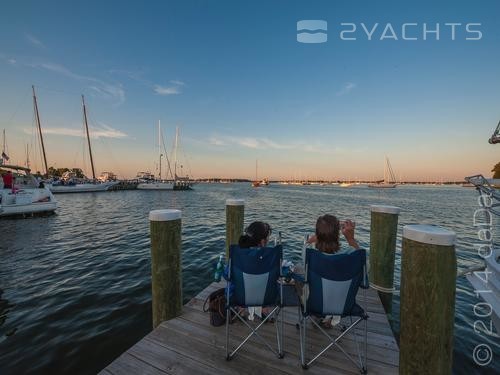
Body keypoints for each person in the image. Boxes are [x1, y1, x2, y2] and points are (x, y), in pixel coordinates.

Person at [297, 214, 361, 328]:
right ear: (338, 235)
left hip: (315, 305)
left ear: (317, 234)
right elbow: (363, 262)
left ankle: (319, 316)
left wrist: (313, 239)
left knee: (298, 269)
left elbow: (306, 246)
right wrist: (350, 238)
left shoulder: (309, 254)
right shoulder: (350, 257)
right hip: (343, 305)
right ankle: (329, 317)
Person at [236, 221, 274, 321]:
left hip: (241, 297)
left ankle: (241, 311)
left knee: (238, 283)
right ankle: (263, 311)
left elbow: (228, 274)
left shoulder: (238, 255)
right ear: (262, 241)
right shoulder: (270, 258)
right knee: (267, 283)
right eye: (267, 238)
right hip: (264, 297)